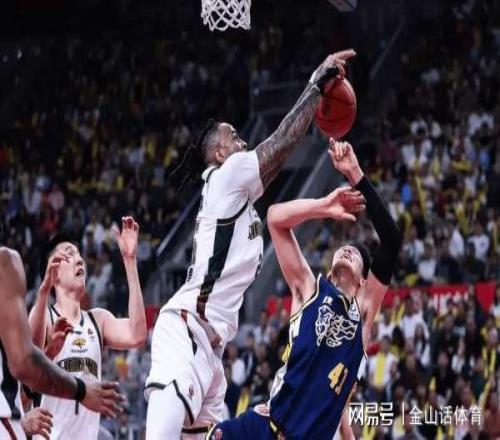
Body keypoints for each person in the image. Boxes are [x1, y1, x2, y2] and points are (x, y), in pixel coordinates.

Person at [144, 49, 357, 439]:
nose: (243, 141)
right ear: (220, 153)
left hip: (212, 354)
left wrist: (321, 207)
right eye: (234, 137)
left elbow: (274, 192)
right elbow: (280, 144)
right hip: (186, 331)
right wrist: (315, 86)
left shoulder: (240, 204)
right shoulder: (225, 175)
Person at [207, 139, 402, 439]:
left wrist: (355, 174)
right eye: (344, 248)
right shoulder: (309, 290)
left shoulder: (362, 315)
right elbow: (275, 219)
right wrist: (323, 207)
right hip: (264, 426)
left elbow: (391, 239)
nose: (348, 251)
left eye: (357, 255)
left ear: (363, 281)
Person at [28, 216, 147, 439]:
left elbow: (137, 335)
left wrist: (130, 262)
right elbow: (28, 363)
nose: (79, 260)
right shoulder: (44, 315)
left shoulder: (97, 320)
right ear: (52, 270)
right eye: (69, 254)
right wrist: (43, 291)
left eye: (78, 254)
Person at [0, 247, 124, 439]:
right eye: (69, 254)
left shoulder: (97, 320)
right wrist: (82, 391)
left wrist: (48, 355)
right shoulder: (5, 262)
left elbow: (21, 387)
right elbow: (23, 364)